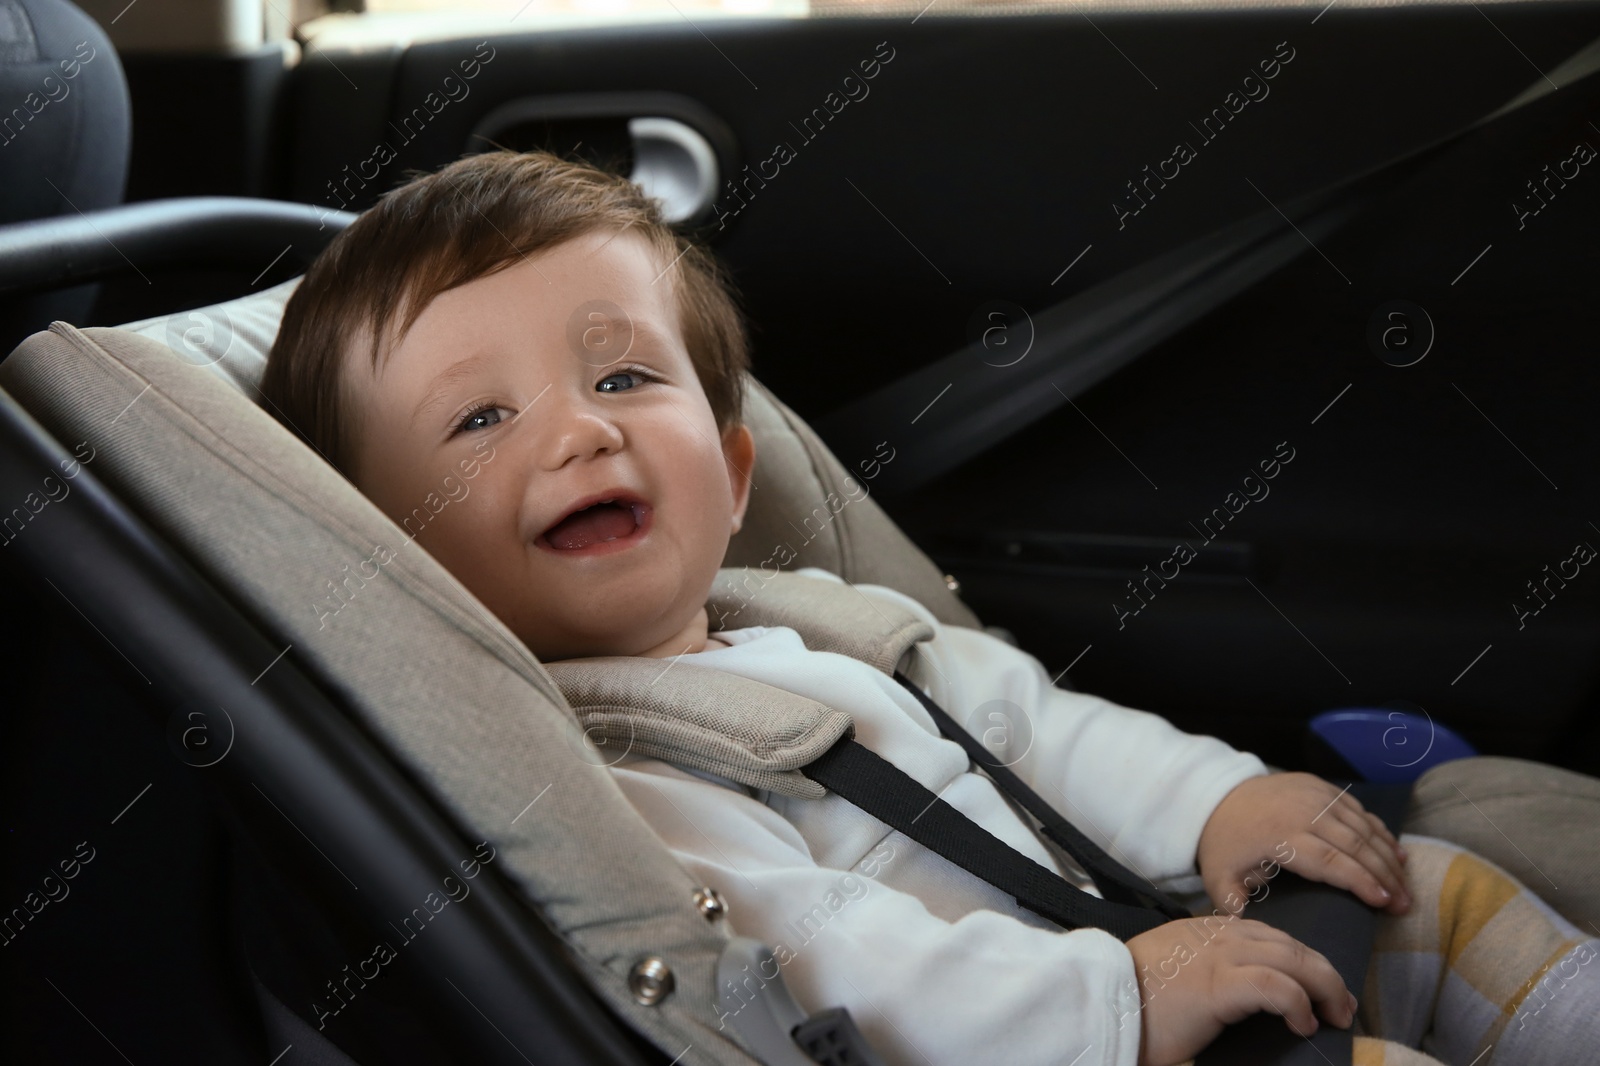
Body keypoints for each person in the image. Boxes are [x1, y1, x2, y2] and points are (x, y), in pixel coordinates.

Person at [260, 149, 1600, 1066]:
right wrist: (1112, 998)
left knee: (1436, 892)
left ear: (733, 477)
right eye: (483, 417)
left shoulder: (814, 621)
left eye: (622, 380)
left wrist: (1213, 804)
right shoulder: (606, 779)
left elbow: (1034, 723)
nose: (579, 436)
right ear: (393, 553)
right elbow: (841, 966)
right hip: (1041, 1030)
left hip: (1119, 939)